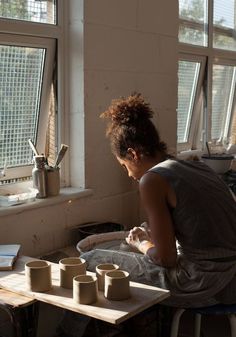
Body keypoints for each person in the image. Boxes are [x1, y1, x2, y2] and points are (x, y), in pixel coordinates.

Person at [81, 92, 236, 308]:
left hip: (204, 283)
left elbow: (166, 259)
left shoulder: (152, 180)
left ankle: (67, 333)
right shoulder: (197, 166)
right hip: (231, 277)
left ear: (133, 154)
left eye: (124, 166)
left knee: (90, 259)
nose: (128, 174)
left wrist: (141, 243)